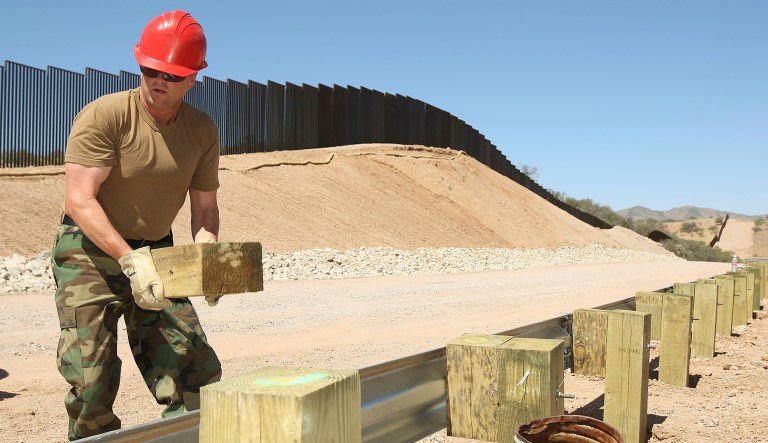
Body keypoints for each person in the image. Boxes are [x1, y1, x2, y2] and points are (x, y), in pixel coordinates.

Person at [50, 10, 222, 440]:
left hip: (158, 249)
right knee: (91, 378)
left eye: (171, 74)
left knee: (194, 369)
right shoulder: (104, 116)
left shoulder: (201, 131)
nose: (158, 81)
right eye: (150, 70)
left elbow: (204, 211)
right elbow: (80, 198)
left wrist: (209, 255)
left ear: (193, 78)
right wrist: (129, 259)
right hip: (89, 251)